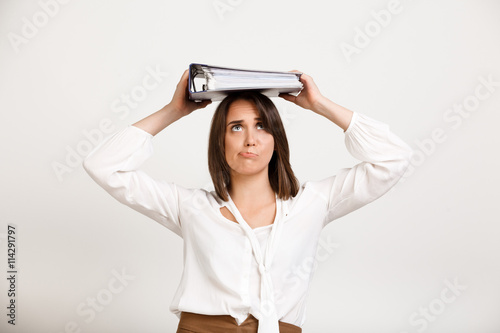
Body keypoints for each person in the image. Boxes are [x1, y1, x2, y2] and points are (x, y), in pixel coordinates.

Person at [83, 68, 413, 333]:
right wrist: (173, 111)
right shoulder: (191, 208)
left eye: (261, 127)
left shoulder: (313, 203)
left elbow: (394, 159)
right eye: (237, 127)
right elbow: (103, 165)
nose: (251, 139)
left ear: (276, 140)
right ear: (220, 141)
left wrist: (320, 105)